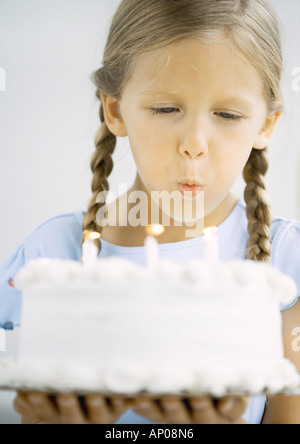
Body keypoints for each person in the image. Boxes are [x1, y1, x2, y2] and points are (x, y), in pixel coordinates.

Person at [1, 0, 300, 424]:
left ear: (266, 125)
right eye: (165, 109)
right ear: (115, 109)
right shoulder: (50, 258)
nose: (194, 142)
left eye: (228, 114)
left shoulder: (289, 266)